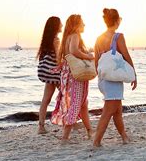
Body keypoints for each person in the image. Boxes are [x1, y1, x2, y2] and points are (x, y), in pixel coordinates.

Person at [93, 8, 137, 148]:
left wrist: (100, 77)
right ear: (117, 21)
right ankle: (96, 141)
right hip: (113, 81)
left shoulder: (98, 38)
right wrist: (133, 74)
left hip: (103, 79)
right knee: (108, 112)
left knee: (117, 110)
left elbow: (96, 61)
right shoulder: (118, 36)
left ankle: (124, 136)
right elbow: (126, 55)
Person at [51, 14, 94, 143]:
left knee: (83, 104)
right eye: (82, 23)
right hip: (75, 75)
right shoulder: (75, 36)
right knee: (76, 103)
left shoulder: (66, 38)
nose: (84, 25)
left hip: (68, 74)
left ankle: (89, 130)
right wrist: (89, 56)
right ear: (76, 25)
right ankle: (65, 136)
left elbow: (67, 54)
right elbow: (74, 51)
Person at [36, 16, 63, 134]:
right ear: (56, 26)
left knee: (45, 100)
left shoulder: (46, 40)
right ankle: (69, 122)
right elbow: (58, 58)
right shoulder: (56, 40)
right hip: (56, 74)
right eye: (60, 24)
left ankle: (41, 127)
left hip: (48, 74)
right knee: (67, 97)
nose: (62, 25)